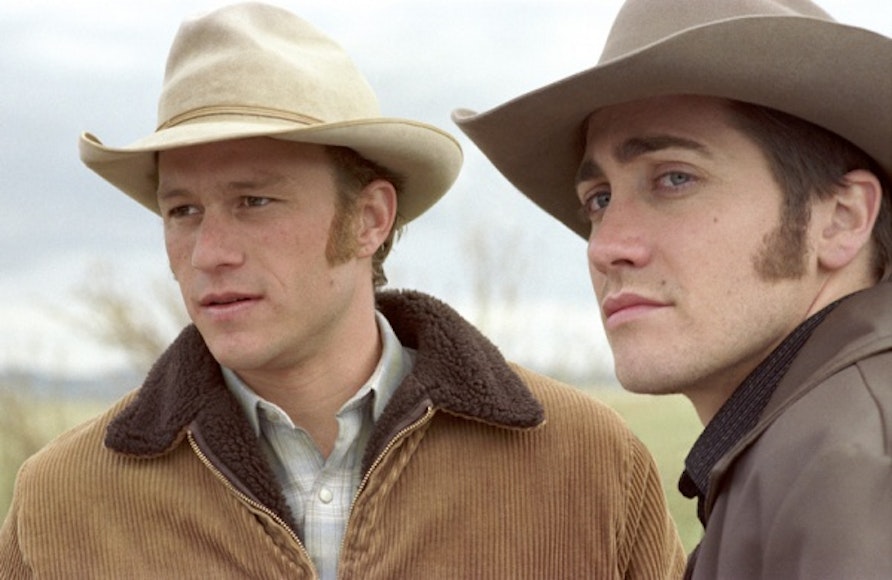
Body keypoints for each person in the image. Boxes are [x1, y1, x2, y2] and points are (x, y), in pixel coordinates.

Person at [0, 3, 685, 578]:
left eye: (254, 201)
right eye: (182, 211)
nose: (209, 253)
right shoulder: (60, 503)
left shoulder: (588, 464)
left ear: (369, 219)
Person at [454, 0, 892, 577]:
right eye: (599, 200)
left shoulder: (849, 467)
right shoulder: (799, 449)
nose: (606, 247)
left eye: (674, 178)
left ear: (840, 218)